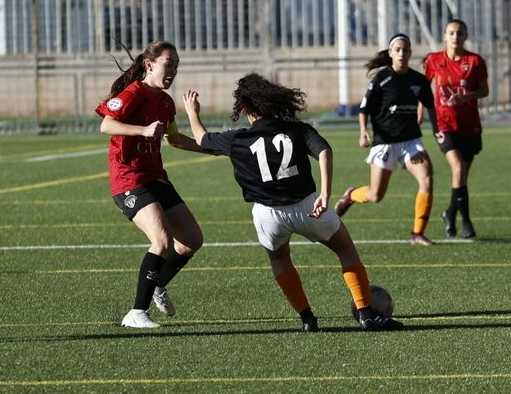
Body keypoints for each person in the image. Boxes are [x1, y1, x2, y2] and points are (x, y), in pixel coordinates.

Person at [182, 73, 403, 331]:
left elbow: (202, 139)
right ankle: (366, 313)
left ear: (245, 108)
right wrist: (325, 193)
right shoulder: (298, 129)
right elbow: (324, 151)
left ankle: (307, 318)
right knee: (344, 249)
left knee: (280, 260)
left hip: (268, 215)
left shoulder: (238, 139)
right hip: (308, 207)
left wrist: (192, 113)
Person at [96, 41, 206, 328]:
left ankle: (157, 283)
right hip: (129, 178)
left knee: (191, 240)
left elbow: (174, 139)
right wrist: (143, 130)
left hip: (156, 177)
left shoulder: (166, 102)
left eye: (176, 66)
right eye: (168, 64)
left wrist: (212, 147)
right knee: (162, 240)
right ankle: (137, 312)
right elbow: (106, 125)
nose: (173, 71)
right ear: (149, 65)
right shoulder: (133, 93)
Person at [334, 34, 439, 246]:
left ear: (410, 53)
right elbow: (363, 109)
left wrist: (437, 130)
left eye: (405, 50)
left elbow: (430, 106)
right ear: (390, 53)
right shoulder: (382, 79)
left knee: (426, 179)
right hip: (385, 142)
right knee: (375, 195)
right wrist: (363, 132)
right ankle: (351, 195)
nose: (402, 53)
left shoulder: (418, 80)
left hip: (410, 141)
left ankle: (417, 234)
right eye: (397, 50)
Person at [423, 19, 489, 239]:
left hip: (469, 125)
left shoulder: (475, 61)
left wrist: (465, 97)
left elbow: (484, 90)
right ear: (444, 36)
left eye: (459, 33)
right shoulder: (434, 60)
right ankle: (467, 222)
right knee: (458, 168)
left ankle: (450, 213)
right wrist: (419, 112)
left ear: (465, 36)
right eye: (451, 33)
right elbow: (424, 89)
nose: (455, 37)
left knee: (461, 177)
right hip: (444, 124)